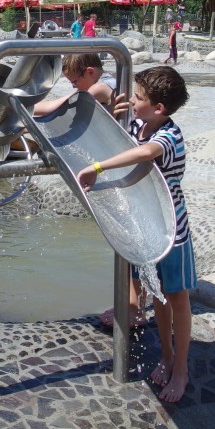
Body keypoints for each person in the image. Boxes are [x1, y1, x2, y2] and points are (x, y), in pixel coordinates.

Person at [77, 67, 195, 403]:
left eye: (139, 98)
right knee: (157, 296)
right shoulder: (140, 124)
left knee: (177, 299)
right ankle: (167, 357)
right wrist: (113, 120)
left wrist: (98, 168)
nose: (131, 100)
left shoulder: (169, 136)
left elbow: (144, 154)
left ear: (159, 108)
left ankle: (182, 368)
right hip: (145, 226)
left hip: (172, 232)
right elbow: (125, 141)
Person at [34, 53, 115, 116]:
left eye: (74, 82)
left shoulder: (98, 89)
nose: (73, 86)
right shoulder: (108, 80)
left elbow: (56, 107)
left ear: (90, 72)